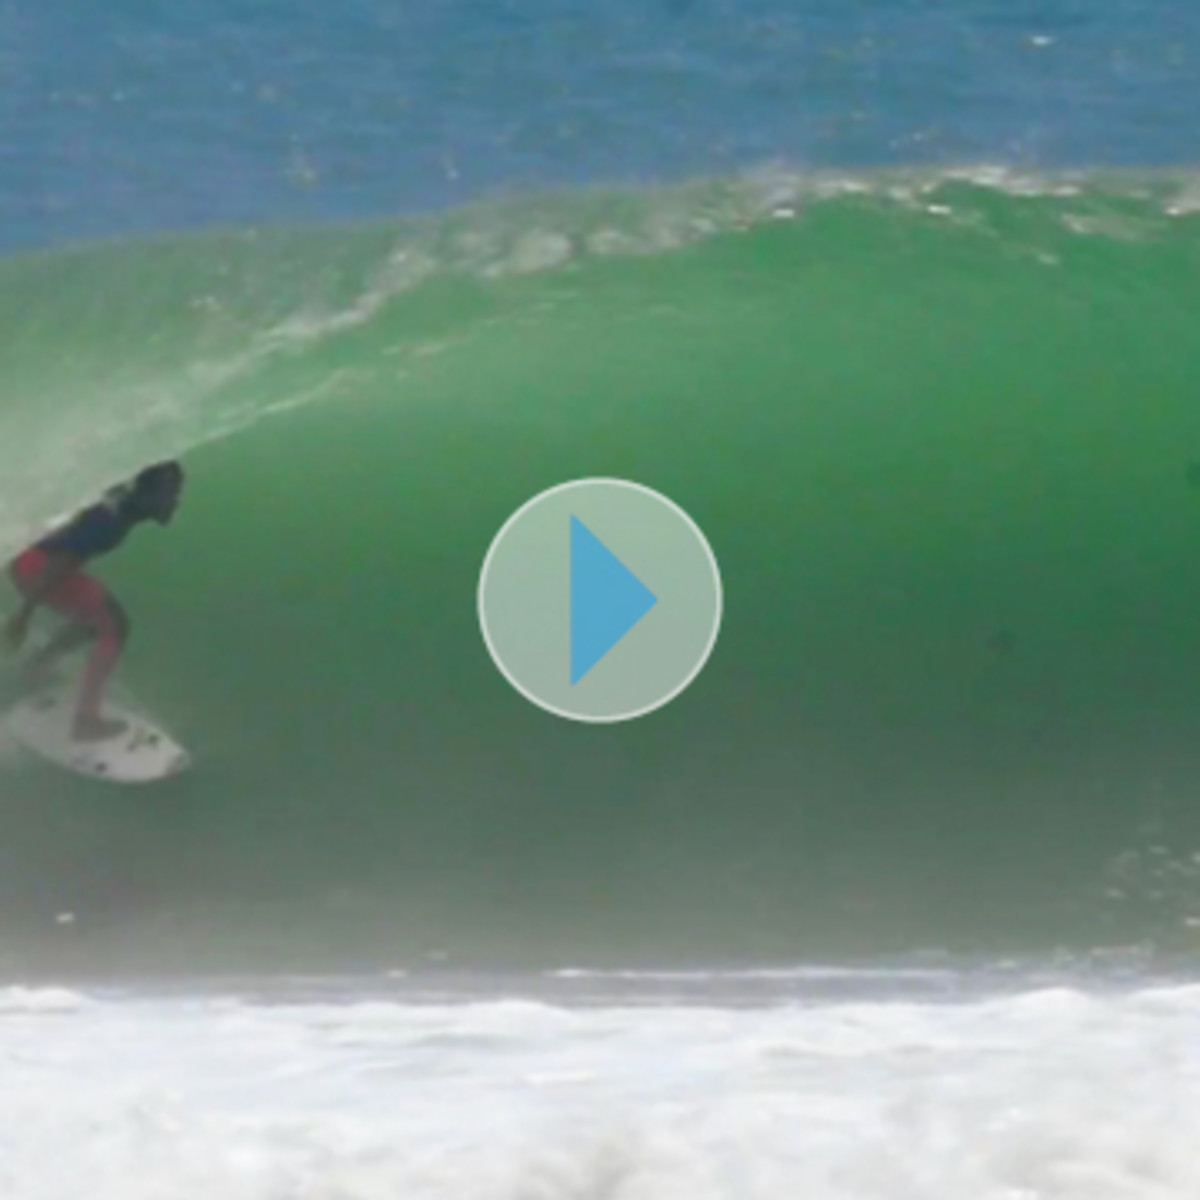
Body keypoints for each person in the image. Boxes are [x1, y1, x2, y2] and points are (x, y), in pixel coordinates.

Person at [4, 461, 184, 741]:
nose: (175, 500)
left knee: (93, 622)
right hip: (37, 568)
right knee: (115, 625)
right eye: (170, 492)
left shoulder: (122, 504)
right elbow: (59, 566)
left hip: (30, 560)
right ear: (148, 494)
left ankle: (36, 668)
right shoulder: (110, 523)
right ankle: (85, 722)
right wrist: (23, 614)